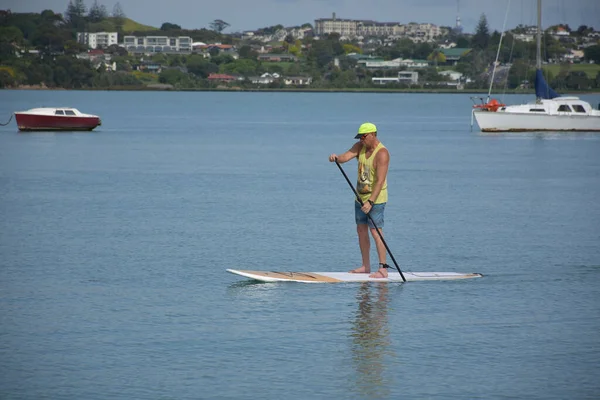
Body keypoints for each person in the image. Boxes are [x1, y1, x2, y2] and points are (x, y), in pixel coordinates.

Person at [328, 122, 391, 279]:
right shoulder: (359, 147)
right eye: (360, 138)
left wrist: (370, 202)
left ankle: (383, 268)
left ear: (372, 135)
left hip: (376, 199)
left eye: (363, 137)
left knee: (376, 231)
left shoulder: (382, 153)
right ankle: (365, 266)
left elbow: (380, 181)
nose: (361, 140)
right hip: (360, 197)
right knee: (361, 230)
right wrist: (336, 158)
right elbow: (345, 157)